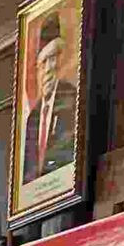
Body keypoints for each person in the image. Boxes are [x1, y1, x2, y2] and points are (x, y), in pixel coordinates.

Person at [22, 20, 79, 183]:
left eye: (52, 59)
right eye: (43, 63)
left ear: (60, 60)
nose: (48, 69)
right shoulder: (32, 117)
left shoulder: (72, 101)